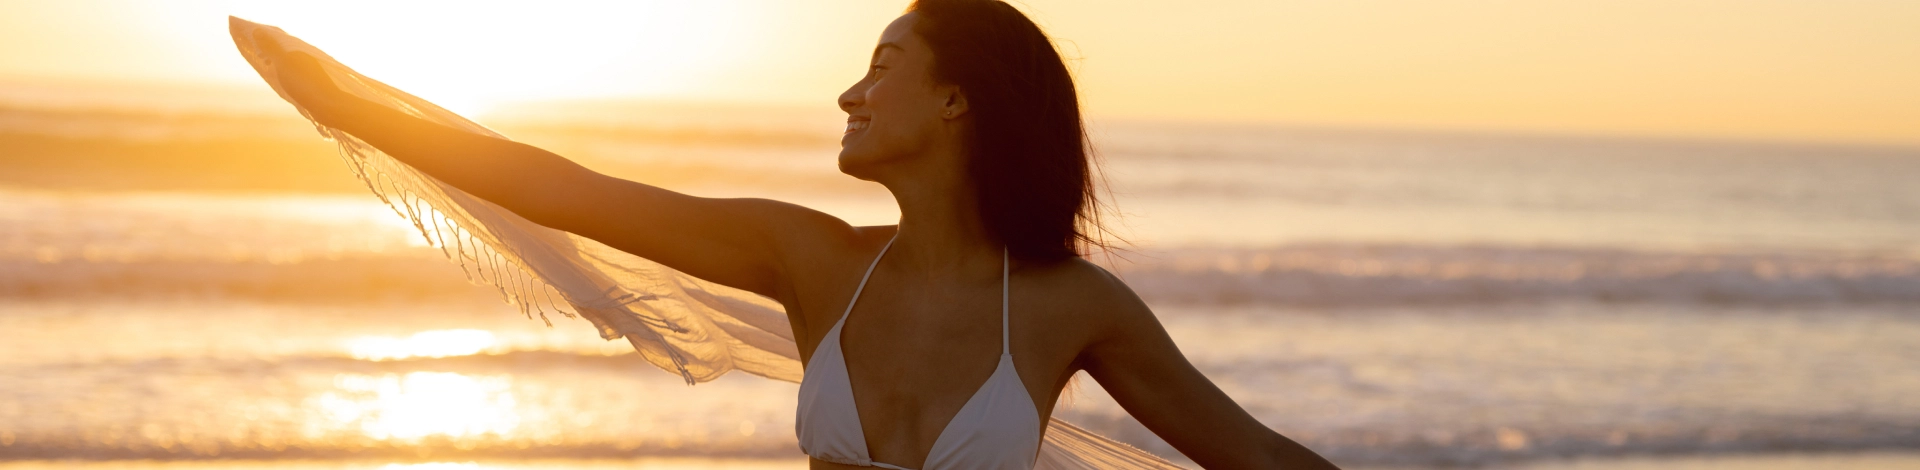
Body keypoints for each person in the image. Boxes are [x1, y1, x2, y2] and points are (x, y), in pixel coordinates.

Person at [252, 0, 1338, 468]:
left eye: (882, 65)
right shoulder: (812, 259)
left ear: (959, 102)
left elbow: (1252, 455)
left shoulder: (1070, 305)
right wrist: (355, 105)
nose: (847, 93)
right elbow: (568, 189)